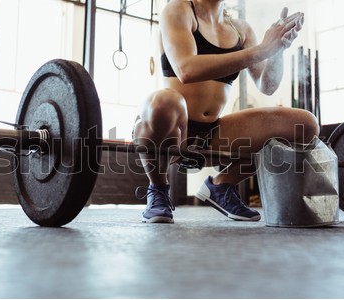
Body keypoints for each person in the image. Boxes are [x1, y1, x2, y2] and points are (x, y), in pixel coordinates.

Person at [133, 0, 319, 223]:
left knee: (304, 125)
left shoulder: (241, 29)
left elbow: (267, 85)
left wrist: (277, 50)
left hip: (212, 134)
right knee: (164, 101)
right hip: (171, 127)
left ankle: (221, 185)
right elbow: (186, 69)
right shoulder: (178, 10)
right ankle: (159, 189)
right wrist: (261, 50)